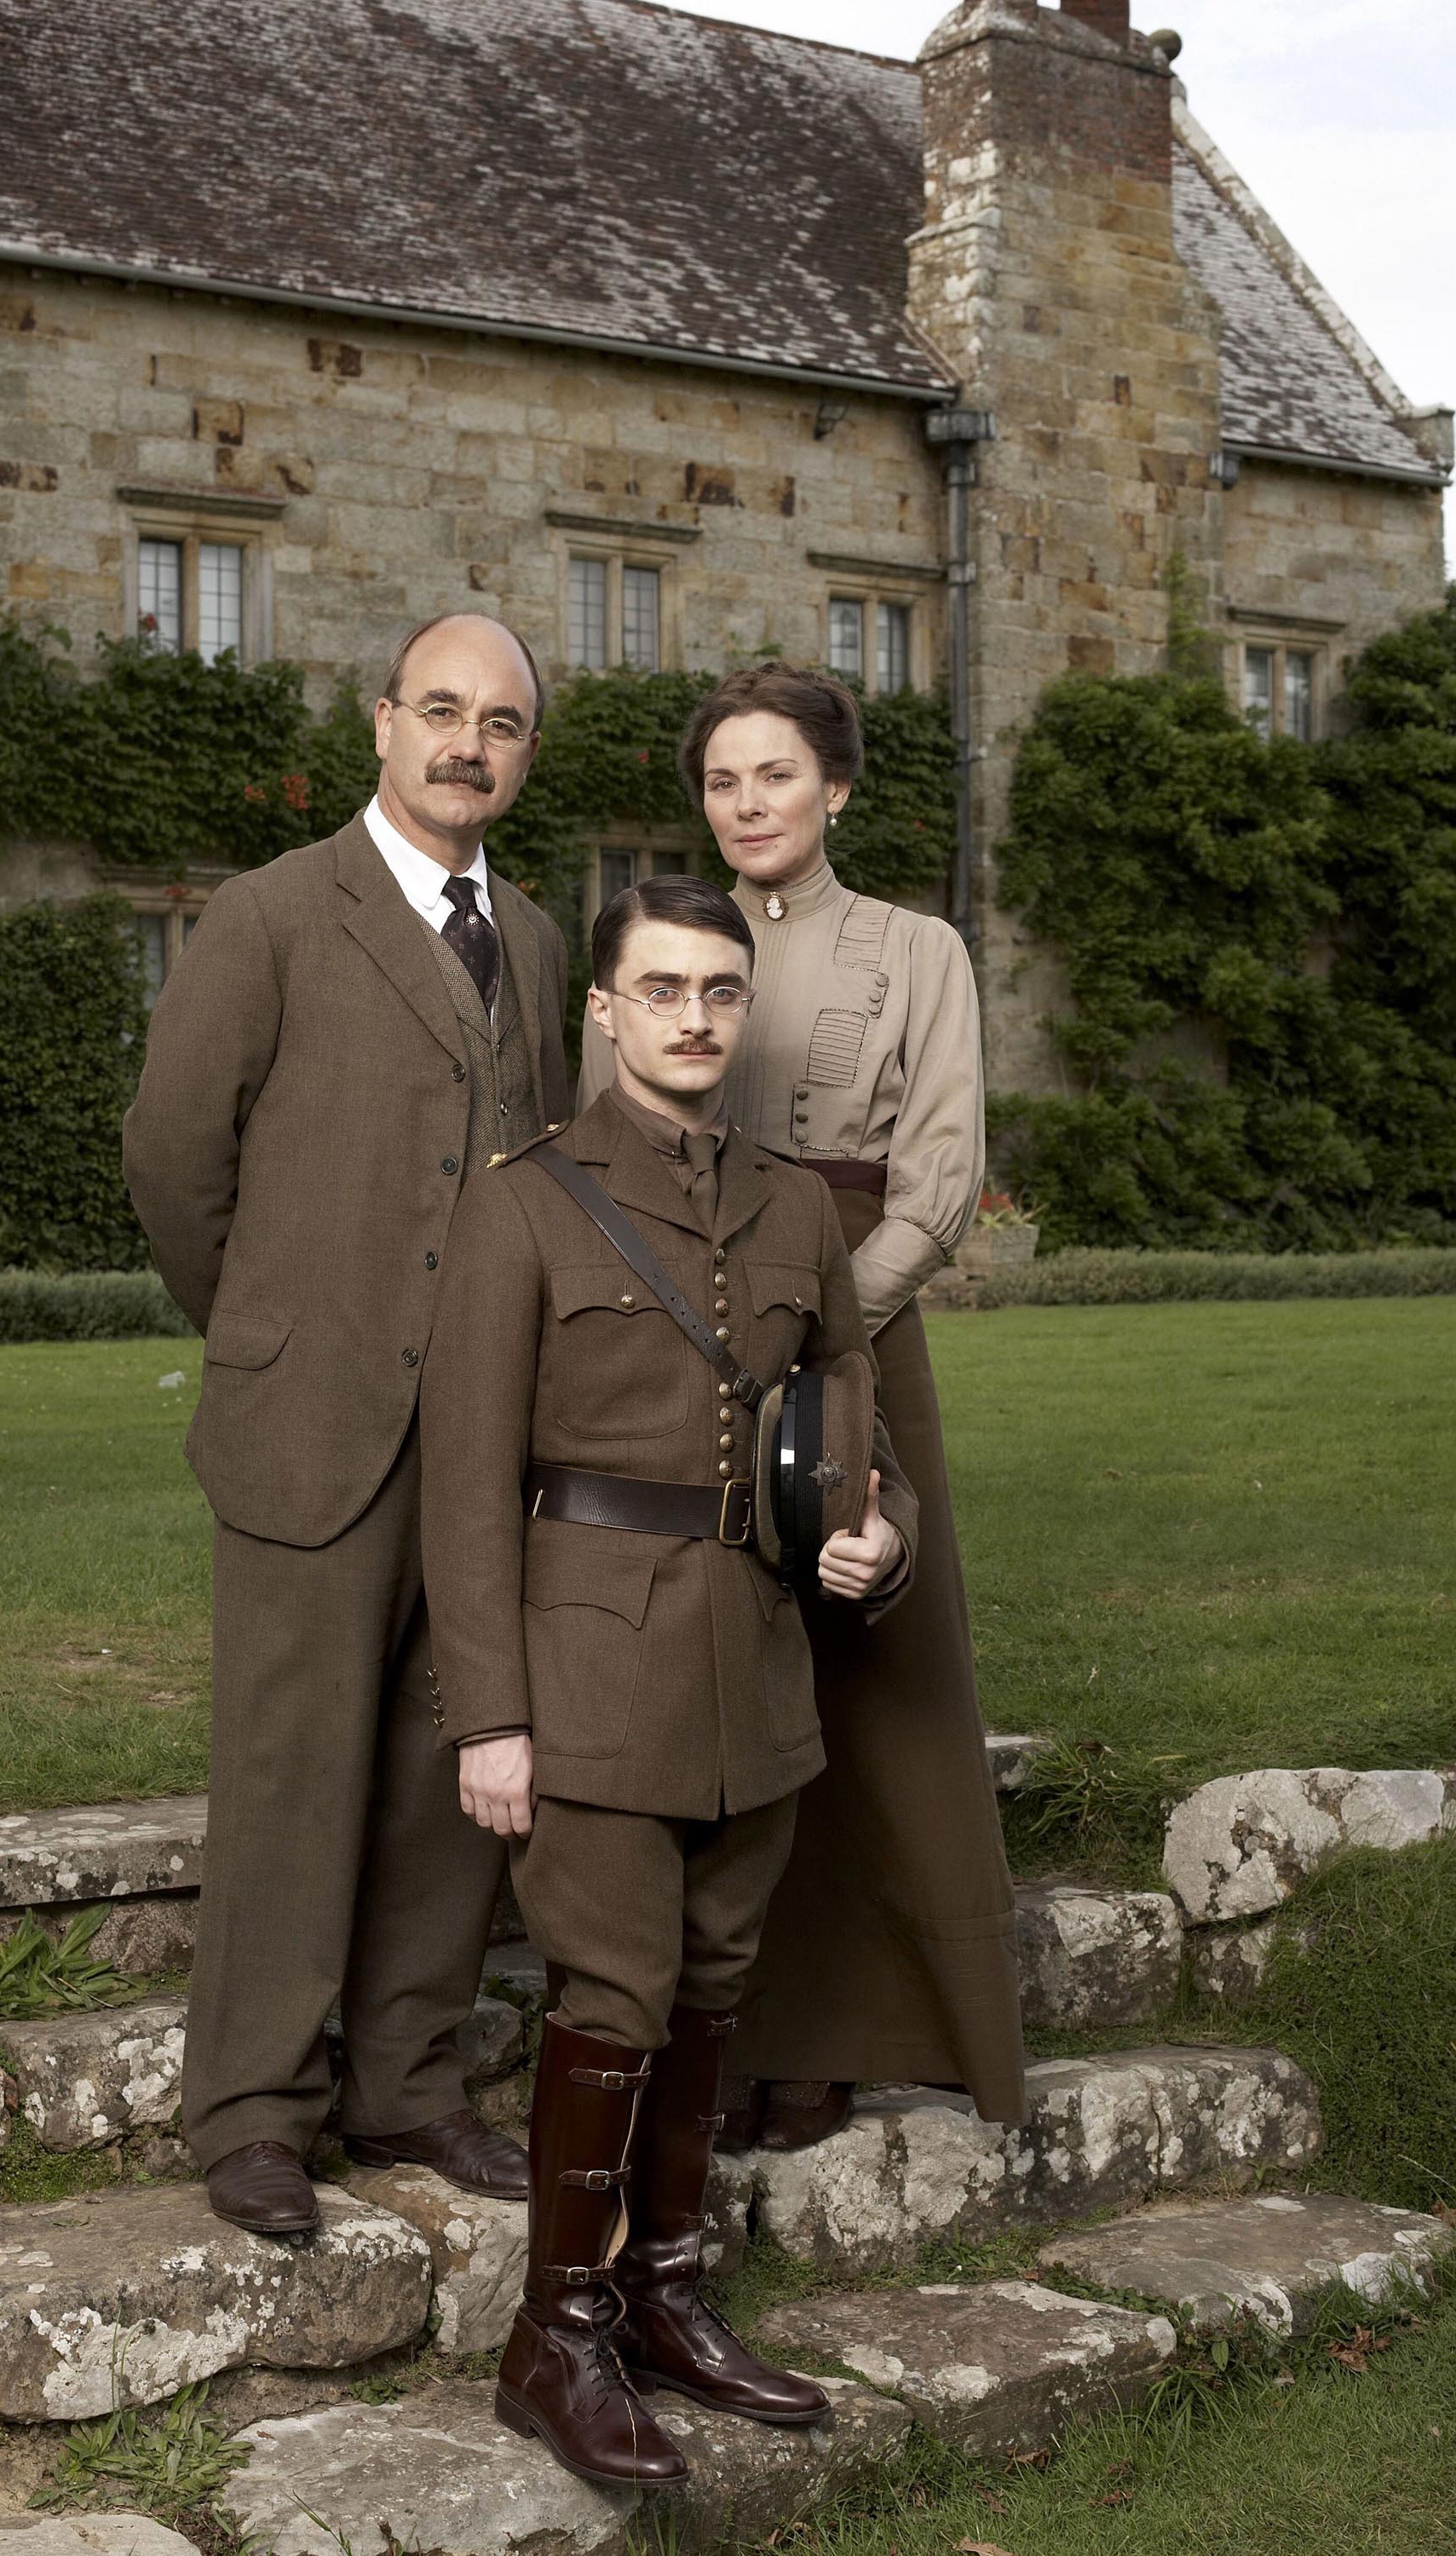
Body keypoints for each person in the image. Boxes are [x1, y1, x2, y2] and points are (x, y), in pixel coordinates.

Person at [419, 873, 918, 2487]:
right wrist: (492, 1717)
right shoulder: (526, 1203)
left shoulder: (795, 1207)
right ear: (605, 1009)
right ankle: (553, 2337)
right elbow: (464, 1485)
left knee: (712, 1986)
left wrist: (881, 1534)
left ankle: (666, 2296)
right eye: (662, 989)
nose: (693, 1017)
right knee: (618, 1989)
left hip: (751, 1665)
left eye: (719, 990)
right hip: (585, 1668)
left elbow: (851, 1417)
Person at [124, 612, 570, 2236]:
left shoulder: (535, 938)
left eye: (500, 723)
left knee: (453, 1768)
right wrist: (267, 1331)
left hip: (488, 1436)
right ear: (383, 724)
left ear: (525, 753)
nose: (467, 743)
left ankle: (407, 2087)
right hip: (308, 1421)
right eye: (440, 709)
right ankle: (253, 2108)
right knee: (292, 1768)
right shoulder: (268, 916)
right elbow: (174, 1159)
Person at [580, 661, 1026, 2150]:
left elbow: (941, 1184)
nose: (748, 803)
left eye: (776, 774)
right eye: (722, 781)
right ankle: (715, 2030)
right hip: (676, 1340)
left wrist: (815, 1334)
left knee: (871, 1677)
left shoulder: (919, 950)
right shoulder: (668, 950)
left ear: (835, 787)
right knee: (709, 1672)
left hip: (852, 1337)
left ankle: (847, 2031)